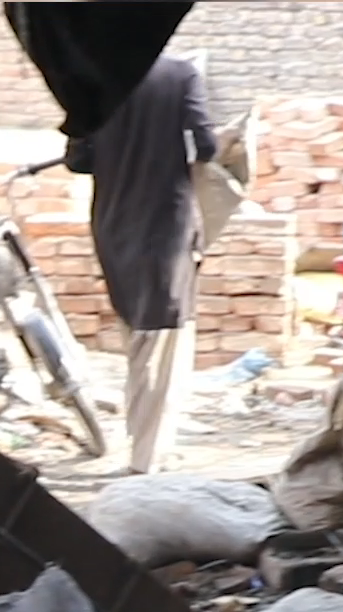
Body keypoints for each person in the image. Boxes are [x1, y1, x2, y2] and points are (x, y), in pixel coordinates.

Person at [66, 56, 217, 474]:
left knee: (137, 339)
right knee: (163, 344)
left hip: (114, 226)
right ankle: (146, 460)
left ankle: (144, 445)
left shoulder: (94, 79)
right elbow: (207, 146)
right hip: (164, 227)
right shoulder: (180, 75)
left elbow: (77, 160)